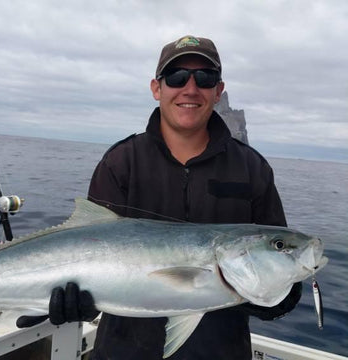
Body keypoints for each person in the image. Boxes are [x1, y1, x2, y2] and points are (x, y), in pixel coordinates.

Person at [18, 34, 302, 359]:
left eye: (205, 78)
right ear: (157, 88)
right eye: (177, 77)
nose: (191, 89)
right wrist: (72, 302)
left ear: (218, 91)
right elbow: (89, 247)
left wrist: (275, 293)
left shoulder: (252, 168)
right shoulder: (121, 162)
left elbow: (282, 268)